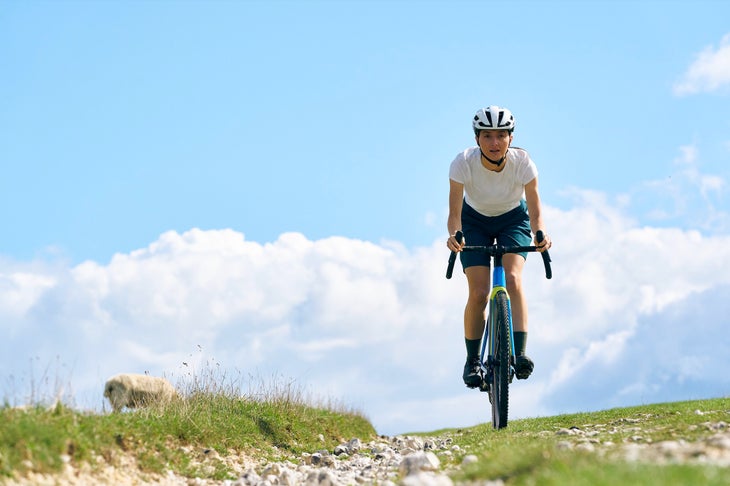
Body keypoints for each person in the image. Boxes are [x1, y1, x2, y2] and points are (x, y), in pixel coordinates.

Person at [446, 105, 552, 387]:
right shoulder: (462, 163)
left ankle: (520, 354)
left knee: (514, 279)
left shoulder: (524, 163)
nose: (495, 142)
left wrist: (540, 233)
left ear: (511, 138)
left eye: (501, 135)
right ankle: (472, 361)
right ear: (477, 139)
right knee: (479, 292)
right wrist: (456, 235)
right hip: (474, 222)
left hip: (513, 221)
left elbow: (535, 208)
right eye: (488, 136)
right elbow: (454, 212)